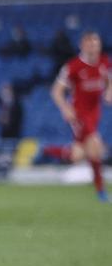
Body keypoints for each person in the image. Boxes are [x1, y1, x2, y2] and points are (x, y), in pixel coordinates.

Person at [45, 31, 111, 202]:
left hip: (95, 113)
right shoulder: (73, 66)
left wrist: (109, 92)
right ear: (82, 46)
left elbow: (109, 80)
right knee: (96, 147)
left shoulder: (105, 63)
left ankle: (47, 150)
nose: (93, 47)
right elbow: (56, 91)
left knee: (79, 154)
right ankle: (101, 191)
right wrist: (65, 108)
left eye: (96, 44)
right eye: (89, 44)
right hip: (79, 114)